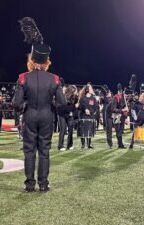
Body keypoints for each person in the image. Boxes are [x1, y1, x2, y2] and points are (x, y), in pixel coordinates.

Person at [12, 38, 66, 192]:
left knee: (29, 150)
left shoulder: (23, 78)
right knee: (44, 151)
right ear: (46, 62)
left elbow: (16, 104)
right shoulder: (55, 79)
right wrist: (51, 107)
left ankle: (29, 184)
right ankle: (43, 184)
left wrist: (23, 109)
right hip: (47, 116)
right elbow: (62, 103)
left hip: (29, 116)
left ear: (32, 60)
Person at [57, 85, 78, 151]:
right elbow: (65, 108)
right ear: (71, 91)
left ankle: (70, 145)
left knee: (71, 129)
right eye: (75, 91)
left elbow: (72, 108)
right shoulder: (63, 97)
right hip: (62, 114)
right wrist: (74, 107)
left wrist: (73, 110)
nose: (76, 92)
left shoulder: (74, 98)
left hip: (69, 115)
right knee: (63, 130)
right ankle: (60, 146)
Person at [77, 84, 98, 149]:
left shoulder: (93, 98)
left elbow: (95, 107)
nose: (92, 89)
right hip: (83, 116)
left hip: (90, 117)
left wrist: (90, 112)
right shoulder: (82, 98)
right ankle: (83, 145)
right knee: (83, 130)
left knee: (89, 130)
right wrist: (84, 109)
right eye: (91, 88)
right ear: (87, 90)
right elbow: (80, 107)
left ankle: (89, 145)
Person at [108, 83, 128, 149]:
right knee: (118, 130)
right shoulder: (115, 97)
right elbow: (113, 109)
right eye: (120, 91)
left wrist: (126, 116)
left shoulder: (123, 97)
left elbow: (125, 108)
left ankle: (120, 144)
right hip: (116, 116)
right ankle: (120, 144)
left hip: (122, 116)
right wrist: (122, 110)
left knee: (121, 130)